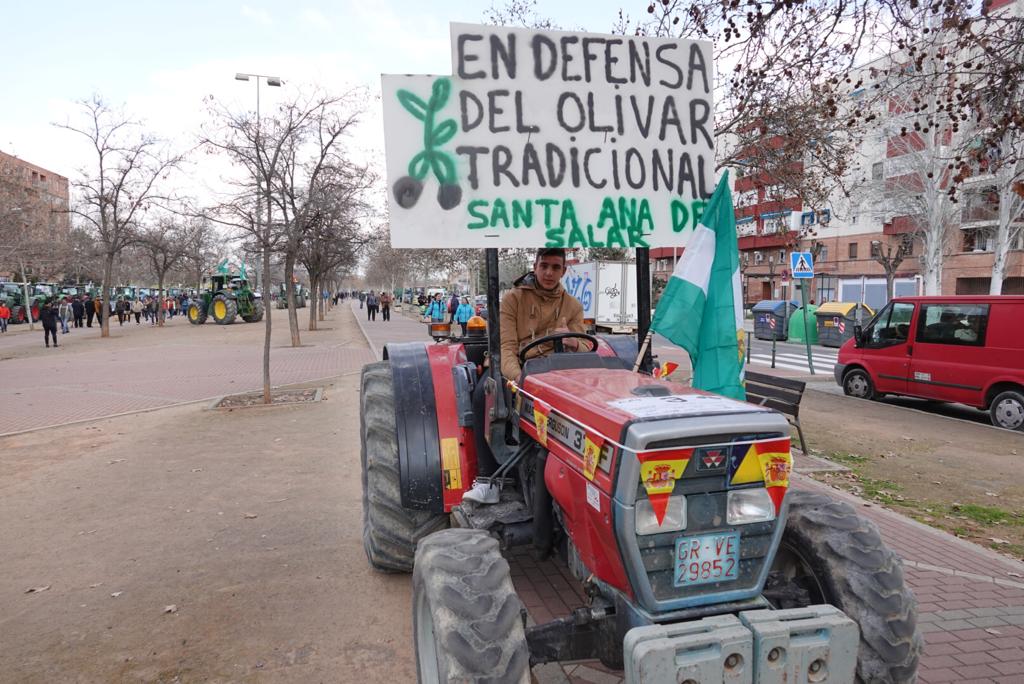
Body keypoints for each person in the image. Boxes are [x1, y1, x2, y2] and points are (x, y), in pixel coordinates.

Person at [463, 248, 589, 504]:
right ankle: (489, 480)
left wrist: (572, 340)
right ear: (535, 266)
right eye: (544, 266)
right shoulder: (513, 299)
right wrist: (520, 382)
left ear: (564, 270)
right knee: (484, 393)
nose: (549, 272)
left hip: (554, 369)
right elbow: (506, 348)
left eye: (556, 267)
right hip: (517, 367)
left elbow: (586, 346)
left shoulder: (572, 306)